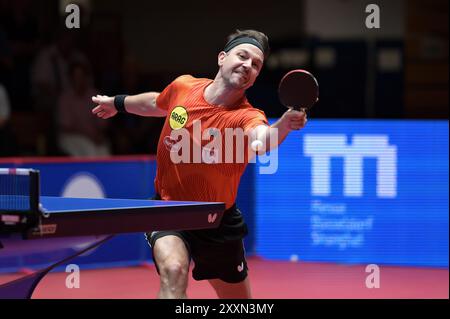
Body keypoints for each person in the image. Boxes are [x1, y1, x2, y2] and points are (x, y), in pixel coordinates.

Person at [91, 29, 307, 299]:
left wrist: (283, 126)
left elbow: (263, 139)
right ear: (222, 58)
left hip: (217, 222)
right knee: (174, 269)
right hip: (169, 209)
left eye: (256, 65)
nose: (248, 66)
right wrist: (116, 103)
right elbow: (156, 103)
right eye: (243, 56)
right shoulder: (183, 87)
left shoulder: (247, 116)